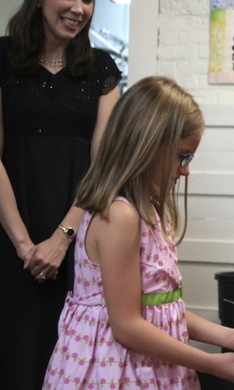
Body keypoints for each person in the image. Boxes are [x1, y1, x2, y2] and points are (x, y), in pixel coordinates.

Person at [42, 76, 234, 389]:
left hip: (150, 365)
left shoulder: (147, 211)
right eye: (182, 156)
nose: (186, 169)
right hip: (117, 371)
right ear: (146, 145)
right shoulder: (119, 216)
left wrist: (229, 336)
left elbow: (160, 308)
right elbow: (127, 326)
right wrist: (209, 363)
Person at [0, 0, 121, 388]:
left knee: (65, 354)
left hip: (78, 232)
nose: (79, 8)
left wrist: (61, 239)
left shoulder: (102, 68)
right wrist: (23, 244)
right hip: (7, 227)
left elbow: (102, 165)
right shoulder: (2, 57)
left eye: (88, 0)